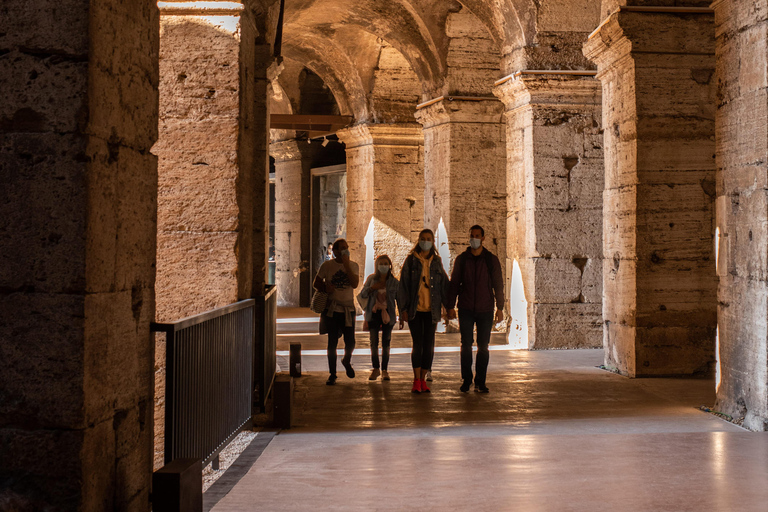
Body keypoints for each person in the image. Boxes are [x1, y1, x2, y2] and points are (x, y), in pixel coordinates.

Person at [447, 225, 505, 393]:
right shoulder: (462, 259)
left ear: (483, 238)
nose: (474, 239)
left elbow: (498, 285)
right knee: (465, 345)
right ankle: (466, 379)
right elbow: (454, 283)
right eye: (472, 235)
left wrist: (500, 308)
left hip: (485, 308)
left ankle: (480, 380)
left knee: (483, 346)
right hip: (465, 308)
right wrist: (450, 306)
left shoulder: (491, 260)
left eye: (477, 236)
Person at [399, 229, 450, 394]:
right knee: (418, 344)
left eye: (429, 239)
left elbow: (443, 285)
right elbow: (404, 287)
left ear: (433, 241)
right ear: (419, 240)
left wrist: (449, 307)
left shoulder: (436, 262)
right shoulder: (411, 261)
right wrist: (403, 310)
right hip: (415, 310)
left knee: (429, 346)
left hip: (431, 310)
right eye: (423, 239)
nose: (425, 241)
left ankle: (423, 379)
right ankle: (416, 379)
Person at [313, 238, 360, 385]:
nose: (345, 250)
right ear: (334, 251)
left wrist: (347, 265)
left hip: (348, 309)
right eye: (342, 248)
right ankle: (332, 374)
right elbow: (316, 283)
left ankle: (346, 360)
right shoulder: (327, 266)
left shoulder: (353, 266)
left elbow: (354, 284)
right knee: (332, 342)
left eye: (347, 247)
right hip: (332, 309)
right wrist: (325, 287)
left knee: (350, 341)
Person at [358, 255, 399, 381]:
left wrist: (402, 316)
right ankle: (376, 368)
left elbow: (400, 299)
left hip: (388, 314)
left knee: (386, 342)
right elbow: (362, 294)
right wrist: (372, 288)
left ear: (390, 265)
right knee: (374, 342)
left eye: (385, 263)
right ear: (377, 266)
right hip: (374, 313)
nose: (383, 266)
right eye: (381, 264)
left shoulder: (394, 282)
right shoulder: (371, 279)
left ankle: (385, 370)